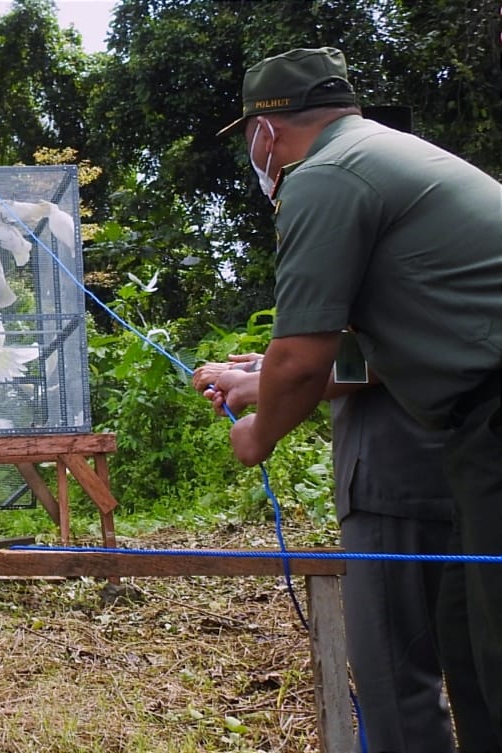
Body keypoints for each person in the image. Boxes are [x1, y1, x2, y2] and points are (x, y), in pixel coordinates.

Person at [213, 46, 502, 748]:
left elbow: (304, 359)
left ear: (266, 131)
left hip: (489, 419)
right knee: (474, 644)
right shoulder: (389, 155)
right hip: (472, 430)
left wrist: (257, 432)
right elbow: (385, 340)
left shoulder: (326, 178)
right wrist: (265, 373)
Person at [195, 347, 470, 752]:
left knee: (398, 693)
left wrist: (269, 393)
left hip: (399, 484)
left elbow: (402, 344)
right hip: (460, 474)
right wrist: (273, 369)